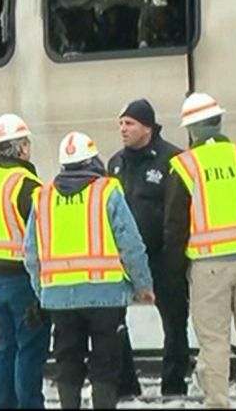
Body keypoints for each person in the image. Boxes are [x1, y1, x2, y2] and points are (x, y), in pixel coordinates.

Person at [163, 93, 236, 408]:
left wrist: (173, 270)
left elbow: (175, 223)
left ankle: (218, 401)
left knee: (214, 341)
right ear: (219, 122)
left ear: (192, 130)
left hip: (209, 266)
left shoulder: (185, 165)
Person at [23, 131, 155, 410]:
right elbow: (130, 244)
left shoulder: (43, 198)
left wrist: (42, 290)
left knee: (67, 361)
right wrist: (143, 285)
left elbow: (31, 254)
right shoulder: (107, 191)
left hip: (59, 298)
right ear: (92, 160)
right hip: (105, 295)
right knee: (106, 363)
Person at [106, 99, 189, 397]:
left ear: (148, 128)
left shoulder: (173, 160)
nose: (123, 129)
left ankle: (174, 385)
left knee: (175, 322)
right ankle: (127, 384)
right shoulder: (115, 163)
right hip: (124, 259)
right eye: (121, 123)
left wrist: (176, 256)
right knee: (114, 322)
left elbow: (179, 211)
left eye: (129, 124)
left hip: (162, 256)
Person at [0, 114, 51, 408]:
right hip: (21, 277)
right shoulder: (27, 184)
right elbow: (40, 234)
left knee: (6, 346)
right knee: (30, 347)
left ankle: (3, 404)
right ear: (21, 149)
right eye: (26, 143)